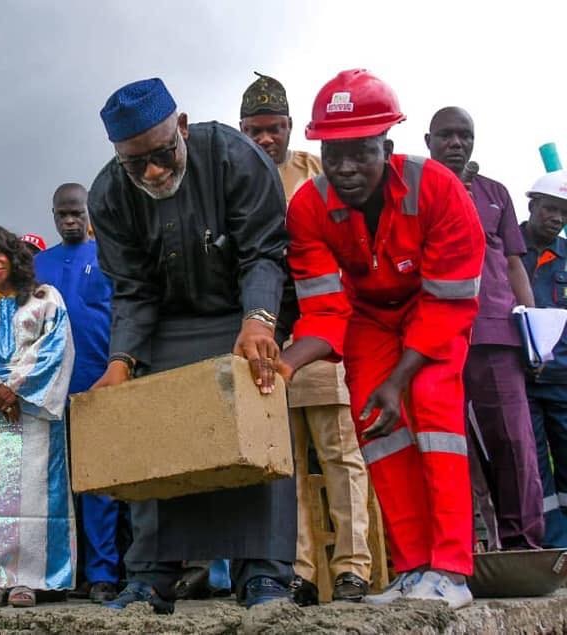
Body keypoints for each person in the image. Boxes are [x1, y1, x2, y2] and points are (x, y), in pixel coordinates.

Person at [279, 69, 485, 609]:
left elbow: (449, 300)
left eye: (361, 153)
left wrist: (400, 379)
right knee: (378, 427)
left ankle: (451, 571)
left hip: (432, 313)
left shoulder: (437, 188)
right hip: (370, 319)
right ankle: (414, 565)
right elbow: (325, 309)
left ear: (386, 147)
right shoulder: (307, 208)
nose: (346, 168)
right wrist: (285, 365)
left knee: (434, 416)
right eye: (334, 153)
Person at [89, 77, 295, 614]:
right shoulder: (108, 194)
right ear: (118, 158)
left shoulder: (237, 156)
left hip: (239, 314)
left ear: (182, 127)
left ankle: (265, 578)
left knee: (257, 417)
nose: (154, 172)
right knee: (153, 437)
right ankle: (150, 578)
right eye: (137, 164)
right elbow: (132, 288)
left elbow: (263, 252)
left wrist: (258, 322)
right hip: (165, 325)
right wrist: (120, 362)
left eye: (162, 154)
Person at [240, 72, 372, 603]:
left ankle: (352, 567)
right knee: (283, 464)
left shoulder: (319, 174)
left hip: (322, 334)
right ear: (241, 130)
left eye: (274, 128)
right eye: (255, 130)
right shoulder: (236, 178)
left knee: (340, 453)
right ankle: (297, 572)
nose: (266, 139)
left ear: (291, 126)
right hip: (261, 344)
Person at [426, 106, 544, 550]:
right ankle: (464, 550)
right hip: (435, 336)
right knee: (448, 446)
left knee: (515, 442)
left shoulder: (495, 192)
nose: (457, 143)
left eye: (465, 136)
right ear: (429, 141)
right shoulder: (413, 190)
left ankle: (523, 546)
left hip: (496, 333)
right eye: (447, 136)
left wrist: (531, 332)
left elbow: (514, 262)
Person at [0, 226, 76, 609]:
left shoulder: (45, 298)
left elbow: (56, 346)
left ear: (12, 252)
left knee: (39, 496)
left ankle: (30, 580)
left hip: (34, 412)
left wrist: (17, 388)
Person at [34, 183, 120, 604]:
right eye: (62, 215)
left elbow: (123, 315)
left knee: (99, 482)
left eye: (76, 213)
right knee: (52, 484)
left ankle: (102, 573)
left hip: (98, 384)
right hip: (47, 390)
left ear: (89, 213)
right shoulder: (37, 265)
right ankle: (56, 574)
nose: (70, 221)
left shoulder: (110, 257)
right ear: (52, 216)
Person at [519, 170, 567, 548]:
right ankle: (552, 544)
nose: (556, 218)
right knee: (533, 466)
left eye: (563, 213)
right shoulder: (509, 249)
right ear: (532, 206)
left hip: (563, 380)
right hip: (520, 380)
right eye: (550, 209)